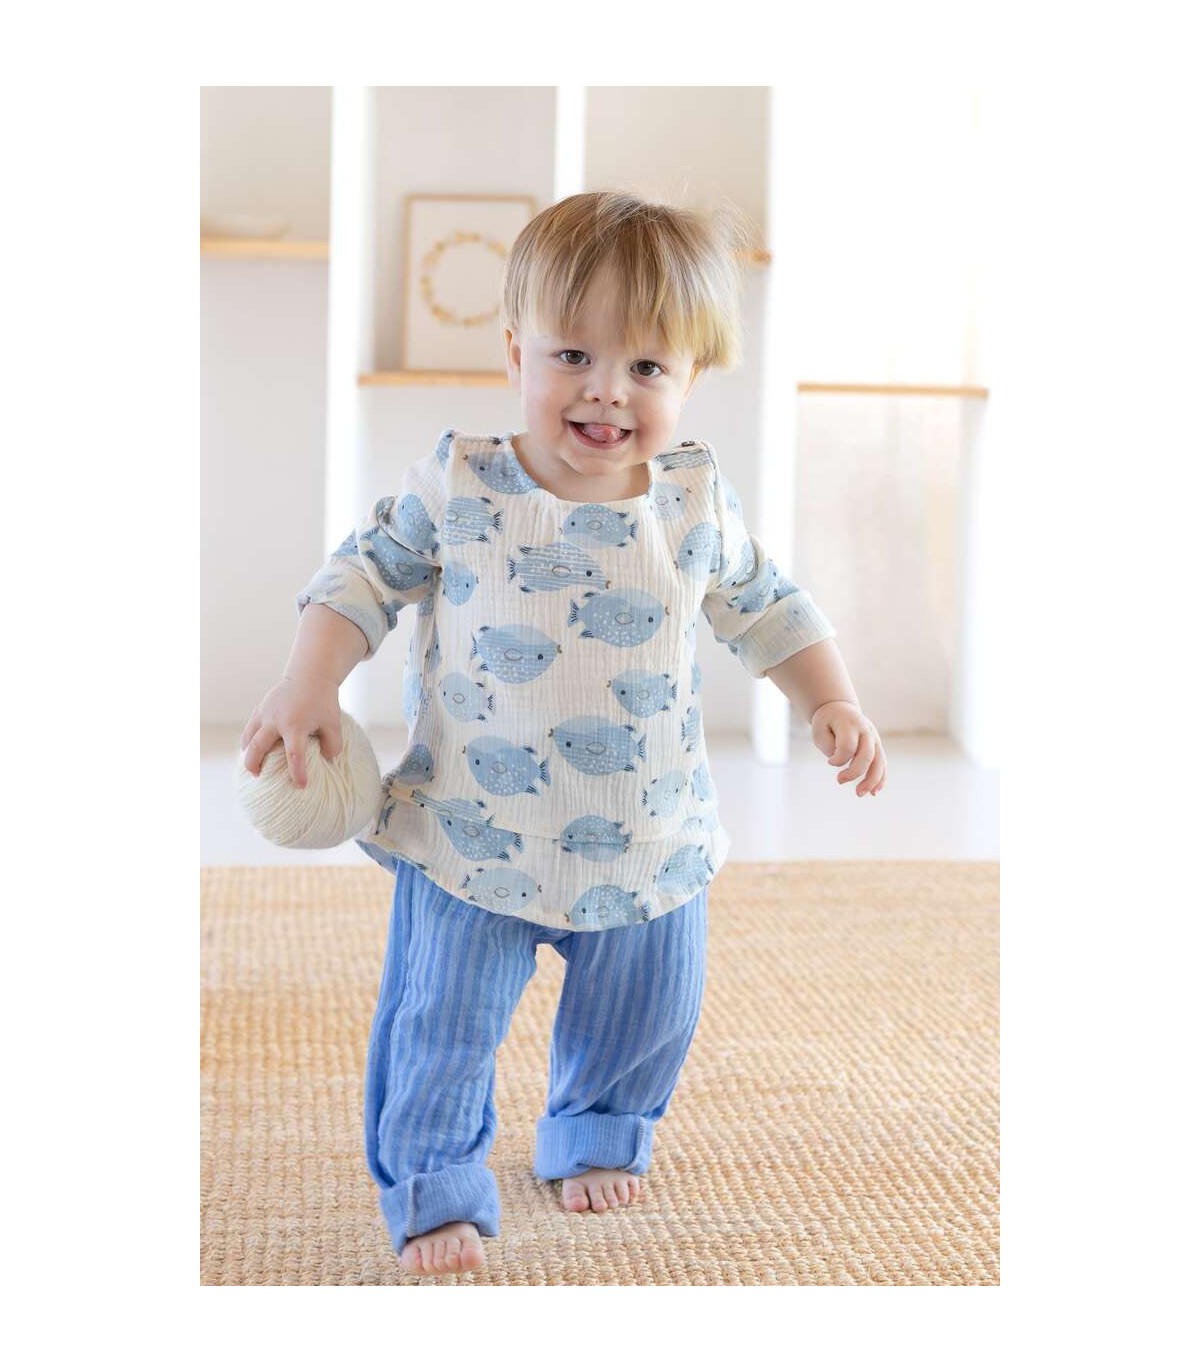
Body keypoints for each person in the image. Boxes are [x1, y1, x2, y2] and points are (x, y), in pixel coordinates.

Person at [239, 191, 887, 1277]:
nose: (605, 390)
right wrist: (310, 679)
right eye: (573, 354)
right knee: (441, 1022)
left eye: (647, 366)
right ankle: (434, 1179)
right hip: (474, 834)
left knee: (650, 1010)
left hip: (648, 838)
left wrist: (831, 697)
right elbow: (358, 579)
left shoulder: (693, 501)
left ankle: (597, 1123)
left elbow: (768, 604)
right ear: (516, 352)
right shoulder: (461, 485)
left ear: (691, 377)